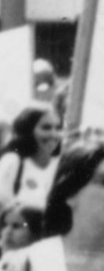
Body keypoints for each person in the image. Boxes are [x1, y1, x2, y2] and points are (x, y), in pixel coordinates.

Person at [0, 101, 60, 244]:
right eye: (46, 127)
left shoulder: (62, 165)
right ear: (28, 130)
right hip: (15, 245)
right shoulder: (13, 161)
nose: (54, 134)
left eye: (58, 128)